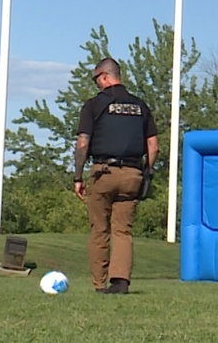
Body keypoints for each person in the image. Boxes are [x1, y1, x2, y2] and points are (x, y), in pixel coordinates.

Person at [73, 57, 159, 295]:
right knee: (123, 230)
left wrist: (78, 176)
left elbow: (83, 143)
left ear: (104, 77)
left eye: (96, 80)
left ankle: (99, 284)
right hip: (132, 174)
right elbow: (153, 146)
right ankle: (120, 282)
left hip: (103, 172)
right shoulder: (140, 106)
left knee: (99, 229)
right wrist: (147, 173)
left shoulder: (93, 105)